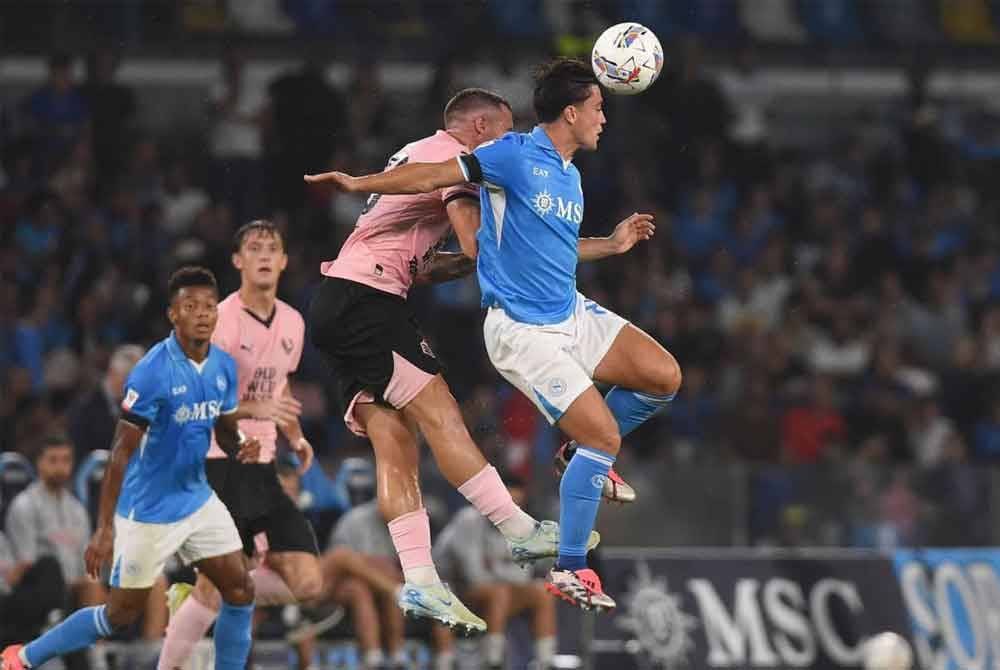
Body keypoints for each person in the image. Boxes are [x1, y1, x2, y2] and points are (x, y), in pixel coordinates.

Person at [303, 59, 683, 611]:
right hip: (510, 326)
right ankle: (562, 562)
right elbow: (439, 183)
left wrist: (611, 244)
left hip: (557, 310)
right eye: (599, 107)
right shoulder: (508, 155)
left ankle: (426, 578)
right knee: (456, 420)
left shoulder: (569, 176)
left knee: (662, 376)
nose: (606, 118)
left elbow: (530, 248)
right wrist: (358, 180)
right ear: (571, 112)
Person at [1, 266, 271, 670]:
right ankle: (22, 657)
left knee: (239, 588)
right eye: (190, 306)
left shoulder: (223, 367)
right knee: (118, 614)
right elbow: (119, 453)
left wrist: (242, 448)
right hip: (148, 510)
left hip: (197, 499)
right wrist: (105, 528)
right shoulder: (151, 372)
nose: (202, 314)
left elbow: (225, 432)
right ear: (172, 314)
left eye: (210, 306)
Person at [157, 221, 320, 670]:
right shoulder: (221, 321)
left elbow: (280, 388)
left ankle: (205, 590)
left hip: (263, 466)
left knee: (307, 582)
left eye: (273, 247)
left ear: (284, 261)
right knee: (222, 588)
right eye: (254, 248)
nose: (264, 254)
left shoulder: (293, 321)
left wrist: (295, 436)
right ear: (238, 261)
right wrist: (255, 409)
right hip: (215, 461)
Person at [432, 475, 556, 670]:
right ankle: (492, 660)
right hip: (452, 590)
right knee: (500, 592)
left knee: (542, 592)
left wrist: (494, 568)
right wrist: (501, 569)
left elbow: (521, 577)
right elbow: (474, 576)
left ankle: (546, 662)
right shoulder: (468, 520)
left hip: (496, 594)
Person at [67, 344, 145, 460]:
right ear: (112, 373)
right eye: (129, 379)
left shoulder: (140, 404)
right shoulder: (85, 408)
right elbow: (78, 454)